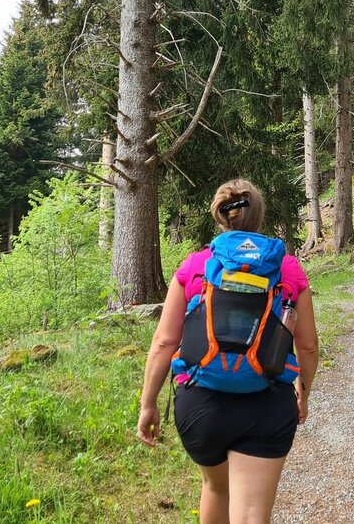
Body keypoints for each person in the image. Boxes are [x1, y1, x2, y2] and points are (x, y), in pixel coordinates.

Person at [137, 179, 320, 524]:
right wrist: (303, 393)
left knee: (217, 489)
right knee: (251, 513)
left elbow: (164, 342)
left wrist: (148, 404)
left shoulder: (194, 265)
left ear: (220, 217)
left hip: (201, 404)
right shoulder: (288, 268)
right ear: (259, 215)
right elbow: (307, 345)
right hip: (268, 399)